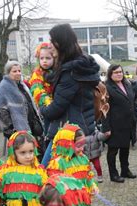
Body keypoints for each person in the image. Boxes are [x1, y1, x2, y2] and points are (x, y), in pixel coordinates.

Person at [40, 23, 100, 167]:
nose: (49, 45)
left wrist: (42, 108)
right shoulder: (79, 67)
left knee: (46, 170)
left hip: (68, 132)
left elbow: (57, 107)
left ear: (60, 43)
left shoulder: (70, 72)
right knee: (75, 175)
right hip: (81, 128)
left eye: (52, 41)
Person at [0, 61, 43, 140]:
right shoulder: (4, 87)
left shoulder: (22, 85)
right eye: (14, 71)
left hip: (30, 125)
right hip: (15, 130)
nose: (18, 73)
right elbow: (1, 110)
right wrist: (11, 129)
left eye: (19, 71)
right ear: (8, 73)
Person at [104, 64, 136, 183]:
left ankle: (125, 170)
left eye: (120, 72)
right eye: (116, 72)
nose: (119, 74)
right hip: (114, 124)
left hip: (128, 123)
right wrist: (106, 127)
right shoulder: (107, 87)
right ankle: (113, 174)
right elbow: (104, 109)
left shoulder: (127, 84)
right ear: (110, 74)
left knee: (125, 148)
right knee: (113, 150)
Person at [47, 124, 97, 194]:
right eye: (79, 146)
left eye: (83, 145)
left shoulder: (83, 158)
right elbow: (56, 187)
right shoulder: (57, 164)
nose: (82, 149)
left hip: (83, 199)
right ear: (67, 145)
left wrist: (92, 186)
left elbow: (88, 176)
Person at [28, 43, 54, 136]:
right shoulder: (37, 74)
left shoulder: (58, 71)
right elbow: (37, 90)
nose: (44, 61)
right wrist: (48, 102)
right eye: (42, 58)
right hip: (46, 109)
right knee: (49, 133)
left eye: (48, 58)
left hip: (59, 107)